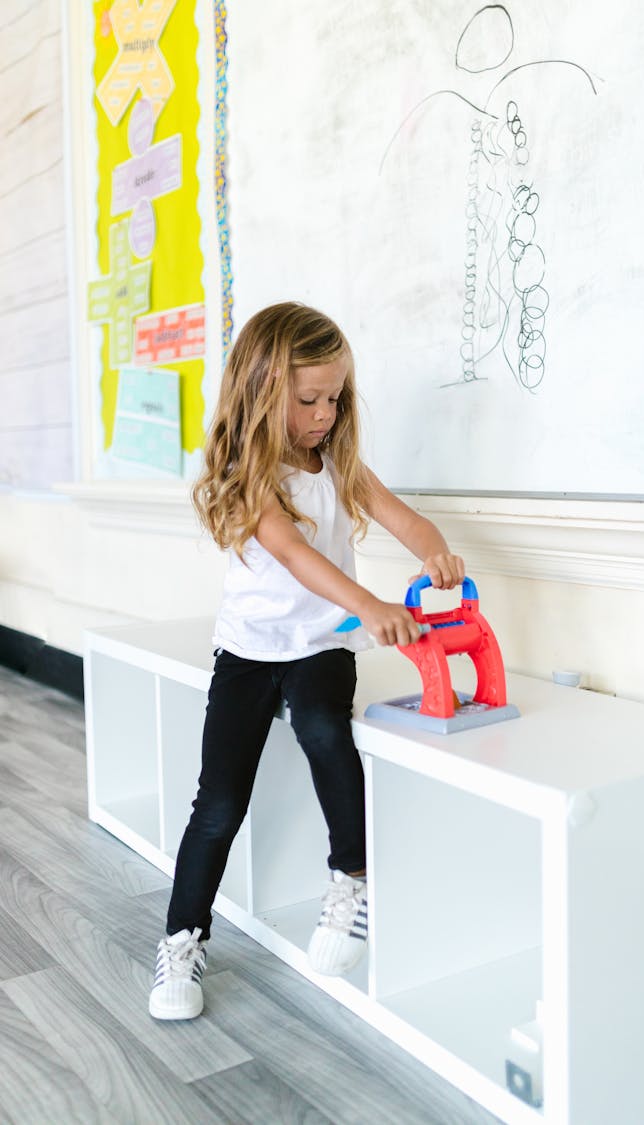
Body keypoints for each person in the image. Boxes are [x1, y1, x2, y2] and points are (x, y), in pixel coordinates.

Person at [149, 301, 464, 1020]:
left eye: (335, 397)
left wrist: (434, 551)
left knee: (326, 729)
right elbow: (293, 557)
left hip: (321, 644)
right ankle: (181, 939)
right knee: (218, 803)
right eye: (308, 399)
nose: (324, 414)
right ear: (264, 393)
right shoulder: (251, 472)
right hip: (248, 652)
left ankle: (350, 878)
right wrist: (374, 601)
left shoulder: (339, 462)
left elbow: (404, 518)